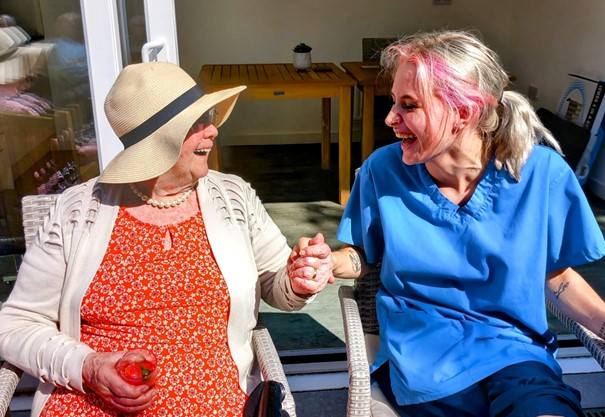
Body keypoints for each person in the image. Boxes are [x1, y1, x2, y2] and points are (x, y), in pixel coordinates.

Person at [296, 29, 605, 416]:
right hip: (423, 359)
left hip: (515, 355)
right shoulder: (383, 171)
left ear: (464, 111)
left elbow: (557, 276)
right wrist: (330, 263)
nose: (390, 118)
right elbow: (361, 255)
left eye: (409, 105)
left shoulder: (541, 175)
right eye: (394, 102)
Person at [0, 61, 333, 416]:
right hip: (91, 402)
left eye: (210, 116)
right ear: (157, 142)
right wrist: (90, 367)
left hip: (215, 403)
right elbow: (15, 324)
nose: (213, 131)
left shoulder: (232, 197)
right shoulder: (78, 211)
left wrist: (298, 280)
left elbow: (275, 284)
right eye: (198, 123)